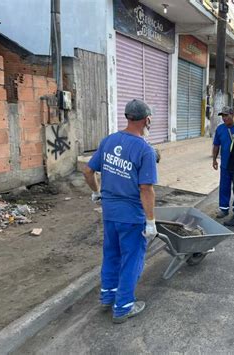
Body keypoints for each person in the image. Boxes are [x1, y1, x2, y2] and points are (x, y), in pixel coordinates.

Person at [83, 99, 158, 324]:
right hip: (131, 216)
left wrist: (97, 192)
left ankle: (108, 296)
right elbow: (146, 188)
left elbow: (88, 171)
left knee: (112, 254)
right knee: (132, 259)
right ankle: (124, 306)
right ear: (147, 120)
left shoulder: (109, 141)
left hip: (110, 212)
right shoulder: (145, 149)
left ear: (127, 117)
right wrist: (151, 221)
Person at [212, 106, 234, 218]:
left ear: (232, 115)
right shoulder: (220, 129)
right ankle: (224, 209)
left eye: (226, 115)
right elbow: (216, 145)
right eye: (222, 116)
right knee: (224, 186)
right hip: (225, 164)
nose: (224, 118)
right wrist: (214, 160)